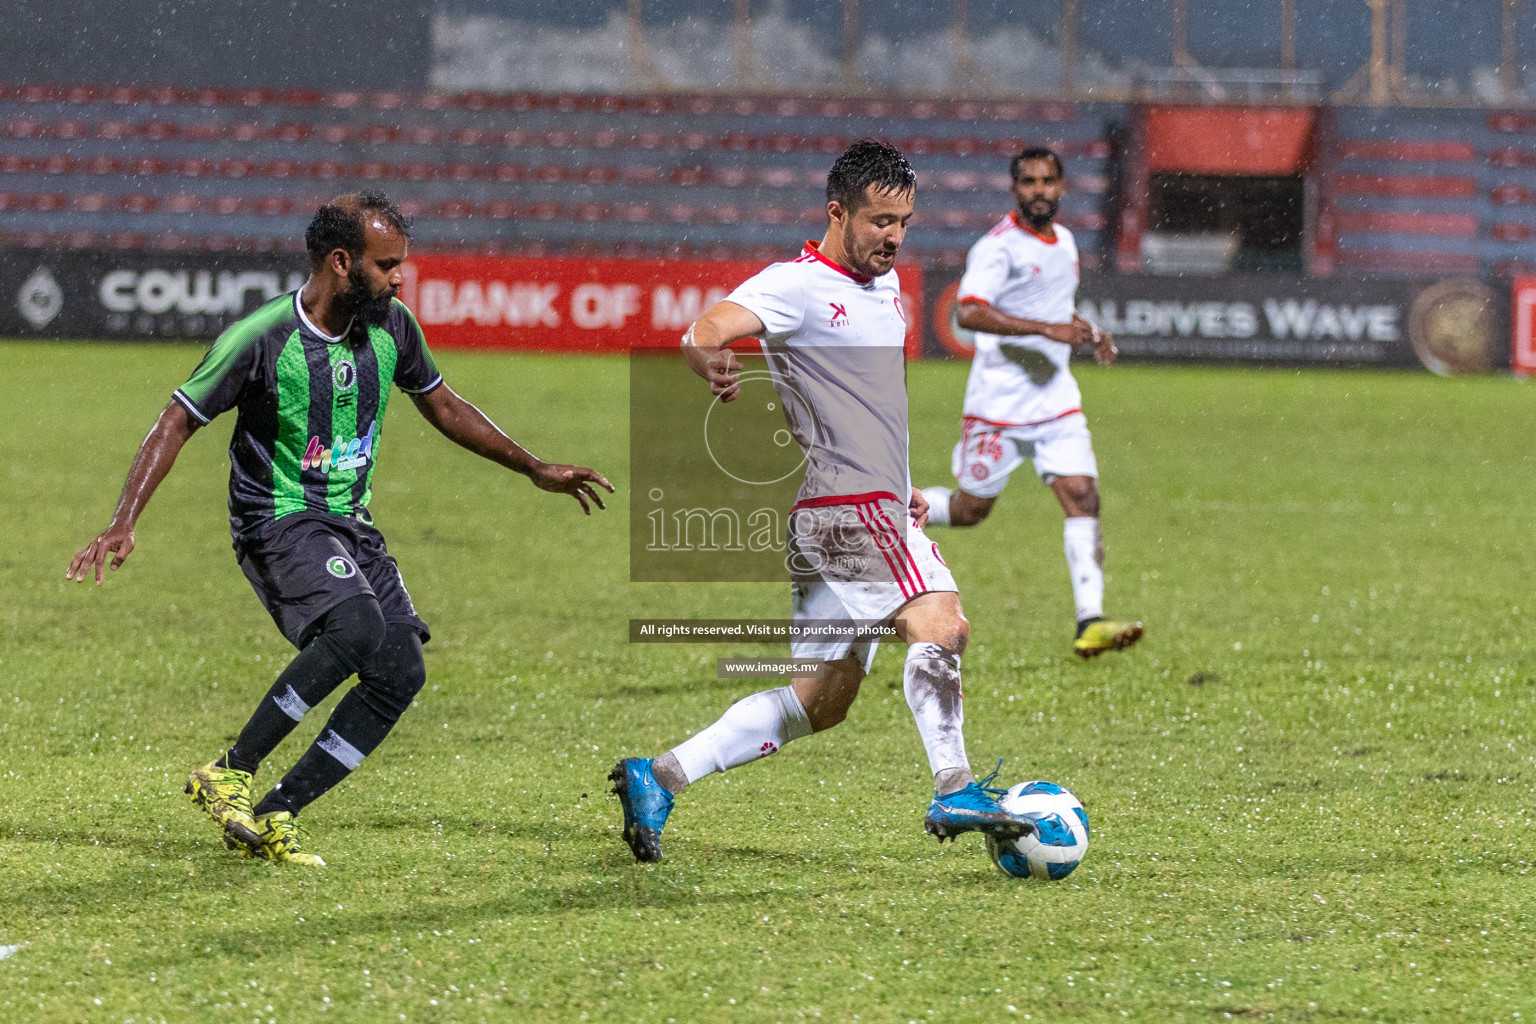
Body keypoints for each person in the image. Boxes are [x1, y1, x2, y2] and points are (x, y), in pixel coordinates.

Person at [67, 192, 613, 866]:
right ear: (340, 261)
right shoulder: (262, 339)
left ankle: (276, 811)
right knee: (355, 628)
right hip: (277, 520)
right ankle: (230, 770)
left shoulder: (395, 328)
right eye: (387, 265)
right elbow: (178, 418)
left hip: (350, 523)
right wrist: (124, 521)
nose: (399, 278)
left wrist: (533, 466)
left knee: (399, 671)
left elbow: (441, 403)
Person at [610, 140, 1035, 864]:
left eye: (903, 221)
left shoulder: (887, 289)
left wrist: (903, 488)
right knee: (942, 622)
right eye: (878, 221)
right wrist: (706, 355)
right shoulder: (795, 285)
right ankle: (954, 785)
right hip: (848, 510)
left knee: (822, 700)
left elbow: (867, 406)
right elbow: (706, 326)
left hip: (846, 509)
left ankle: (661, 775)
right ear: (837, 212)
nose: (893, 237)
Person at [918, 147, 1143, 659]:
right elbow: (969, 313)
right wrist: (1046, 330)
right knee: (971, 509)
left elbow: (1054, 305)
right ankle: (888, 513)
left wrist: (1089, 331)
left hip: (1056, 401)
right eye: (1028, 182)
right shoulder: (998, 248)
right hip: (998, 407)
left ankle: (1090, 621)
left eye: (1047, 181)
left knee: (1083, 496)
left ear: (1063, 187)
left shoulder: (1063, 241)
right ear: (1015, 189)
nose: (1039, 190)